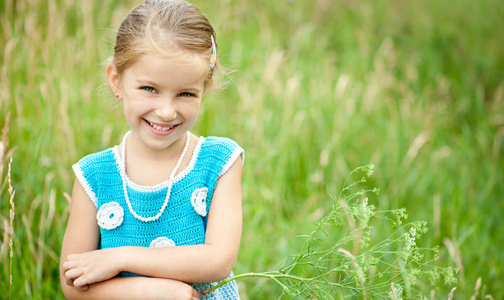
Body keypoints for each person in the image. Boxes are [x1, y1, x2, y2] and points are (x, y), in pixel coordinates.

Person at [59, 1, 243, 299]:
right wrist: (152, 290)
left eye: (185, 93)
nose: (167, 111)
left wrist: (120, 257)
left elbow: (218, 260)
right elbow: (73, 286)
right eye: (149, 89)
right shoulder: (94, 176)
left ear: (205, 89)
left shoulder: (219, 162)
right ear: (116, 81)